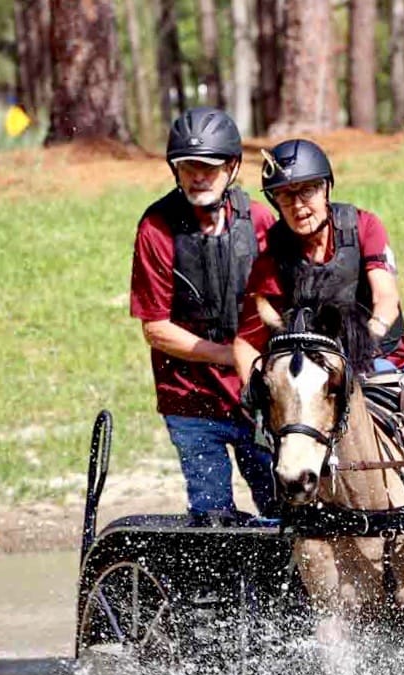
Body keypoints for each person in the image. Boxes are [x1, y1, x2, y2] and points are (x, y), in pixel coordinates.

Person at [232, 138, 404, 453]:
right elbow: (245, 342)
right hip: (324, 377)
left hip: (386, 356)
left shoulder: (363, 226)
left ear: (327, 188)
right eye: (286, 196)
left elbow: (386, 298)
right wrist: (261, 391)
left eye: (308, 190)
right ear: (275, 202)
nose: (299, 205)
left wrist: (366, 338)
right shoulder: (272, 257)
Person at [129, 107, 280, 522]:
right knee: (214, 520)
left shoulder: (262, 221)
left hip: (258, 399)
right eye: (188, 167)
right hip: (190, 402)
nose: (198, 176)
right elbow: (156, 329)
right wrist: (229, 353)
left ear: (232, 167)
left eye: (209, 168)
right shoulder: (156, 228)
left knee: (286, 514)